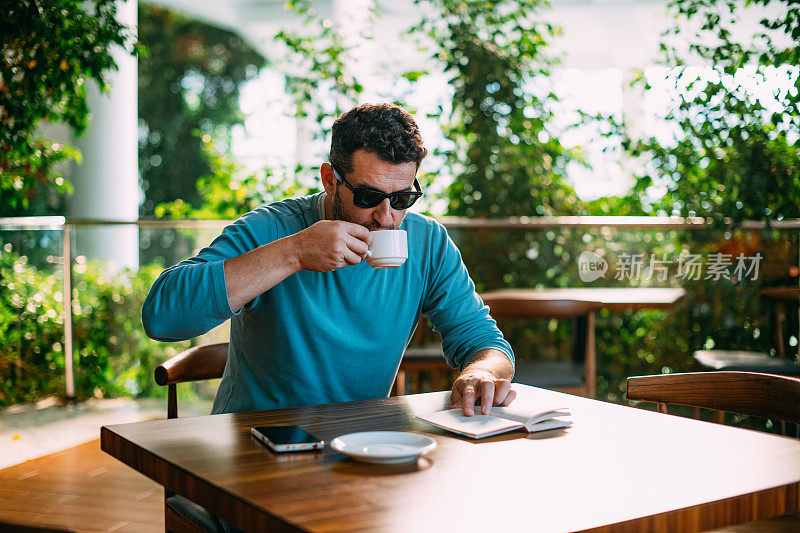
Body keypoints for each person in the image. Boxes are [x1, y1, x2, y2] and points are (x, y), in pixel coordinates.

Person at [142, 103, 515, 416]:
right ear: (330, 180)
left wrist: (482, 372)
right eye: (368, 197)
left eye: (402, 199)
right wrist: (295, 252)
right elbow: (162, 316)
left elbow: (484, 341)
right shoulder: (272, 230)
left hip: (362, 445)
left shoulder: (428, 242)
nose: (387, 217)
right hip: (255, 446)